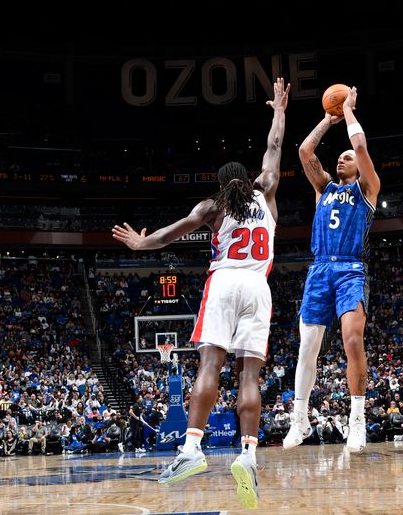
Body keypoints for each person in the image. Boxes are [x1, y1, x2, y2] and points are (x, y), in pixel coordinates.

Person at [112, 77, 289, 509]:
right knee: (250, 376)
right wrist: (279, 110)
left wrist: (140, 243)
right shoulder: (266, 190)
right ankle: (248, 455)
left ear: (221, 183)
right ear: (246, 179)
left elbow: (169, 236)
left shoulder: (212, 206)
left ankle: (192, 449)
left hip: (225, 280)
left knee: (210, 363)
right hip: (259, 288)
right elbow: (274, 145)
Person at [284, 86, 380, 453]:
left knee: (352, 339)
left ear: (357, 167)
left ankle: (358, 421)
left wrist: (351, 110)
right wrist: (328, 119)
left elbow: (360, 147)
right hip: (319, 270)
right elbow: (305, 152)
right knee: (307, 346)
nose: (341, 160)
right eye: (338, 158)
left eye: (346, 158)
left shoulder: (367, 189)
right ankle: (300, 418)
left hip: (351, 269)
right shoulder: (323, 188)